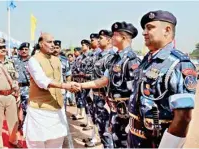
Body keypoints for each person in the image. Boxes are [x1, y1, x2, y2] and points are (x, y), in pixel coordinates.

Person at [127, 10, 197, 148]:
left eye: (150, 27)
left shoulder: (178, 63)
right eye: (144, 28)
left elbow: (183, 118)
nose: (144, 32)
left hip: (157, 142)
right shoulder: (147, 60)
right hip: (135, 137)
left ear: (167, 30)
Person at [73, 21, 140, 148]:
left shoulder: (131, 60)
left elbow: (136, 92)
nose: (112, 38)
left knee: (124, 142)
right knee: (114, 139)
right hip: (115, 110)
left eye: (115, 35)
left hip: (126, 113)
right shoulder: (115, 59)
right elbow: (104, 80)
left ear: (123, 37)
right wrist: (81, 86)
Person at [23, 33, 79, 148]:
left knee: (57, 141)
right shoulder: (33, 60)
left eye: (53, 42)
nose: (53, 45)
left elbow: (61, 79)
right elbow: (42, 81)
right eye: (49, 42)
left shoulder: (56, 60)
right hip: (40, 109)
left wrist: (68, 88)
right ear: (41, 44)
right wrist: (65, 86)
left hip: (57, 107)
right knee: (37, 142)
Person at [13, 42, 31, 133]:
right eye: (22, 49)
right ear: (19, 51)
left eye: (26, 49)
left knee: (26, 109)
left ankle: (25, 125)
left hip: (27, 88)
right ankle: (16, 124)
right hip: (16, 88)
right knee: (14, 108)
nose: (24, 51)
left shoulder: (32, 61)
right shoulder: (14, 60)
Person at [53, 40, 75, 107]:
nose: (55, 50)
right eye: (54, 48)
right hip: (50, 89)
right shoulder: (46, 59)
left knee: (62, 110)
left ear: (60, 48)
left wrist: (68, 89)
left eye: (57, 48)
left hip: (62, 89)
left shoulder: (64, 60)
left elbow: (68, 75)